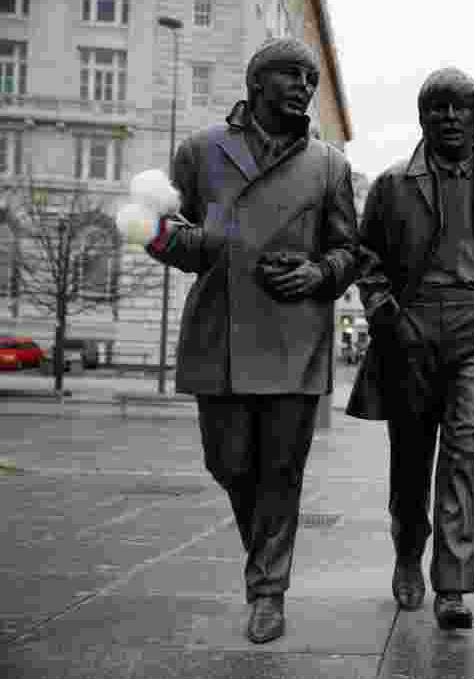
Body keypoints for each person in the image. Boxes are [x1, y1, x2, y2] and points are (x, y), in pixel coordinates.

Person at [145, 38, 364, 644]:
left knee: (281, 471)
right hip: (219, 333)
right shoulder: (201, 151)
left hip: (295, 339)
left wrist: (320, 273)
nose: (303, 87)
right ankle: (262, 562)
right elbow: (160, 226)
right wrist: (199, 244)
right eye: (292, 75)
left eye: (310, 79)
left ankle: (268, 592)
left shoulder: (329, 166)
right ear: (256, 83)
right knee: (229, 463)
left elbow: (351, 250)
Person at [345, 67, 474, 630]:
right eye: (437, 107)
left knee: (464, 455)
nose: (449, 116)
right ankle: (409, 548)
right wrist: (387, 316)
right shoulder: (390, 186)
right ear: (422, 117)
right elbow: (367, 258)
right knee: (410, 459)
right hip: (410, 329)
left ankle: (452, 584)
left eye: (459, 106)